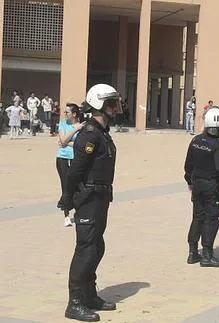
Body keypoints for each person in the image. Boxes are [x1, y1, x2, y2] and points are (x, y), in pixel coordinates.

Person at [58, 84, 121, 322]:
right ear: (99, 105)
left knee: (96, 247)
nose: (116, 108)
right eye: (111, 104)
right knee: (85, 249)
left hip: (101, 196)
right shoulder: (90, 134)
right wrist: (67, 198)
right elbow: (75, 171)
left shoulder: (102, 133)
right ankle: (74, 303)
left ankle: (89, 295)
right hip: (89, 197)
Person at [184, 106, 219, 267]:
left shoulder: (196, 140)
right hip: (212, 187)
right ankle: (207, 254)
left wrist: (190, 182)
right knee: (211, 219)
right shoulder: (218, 145)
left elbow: (188, 166)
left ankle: (192, 252)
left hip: (197, 184)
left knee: (197, 217)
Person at [56, 103, 85, 227]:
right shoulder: (63, 124)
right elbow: (62, 140)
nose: (65, 114)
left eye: (67, 112)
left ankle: (79, 212)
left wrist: (67, 142)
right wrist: (75, 129)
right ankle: (66, 215)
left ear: (74, 114)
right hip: (62, 158)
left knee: (78, 186)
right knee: (65, 185)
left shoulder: (83, 126)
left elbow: (80, 145)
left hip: (76, 159)